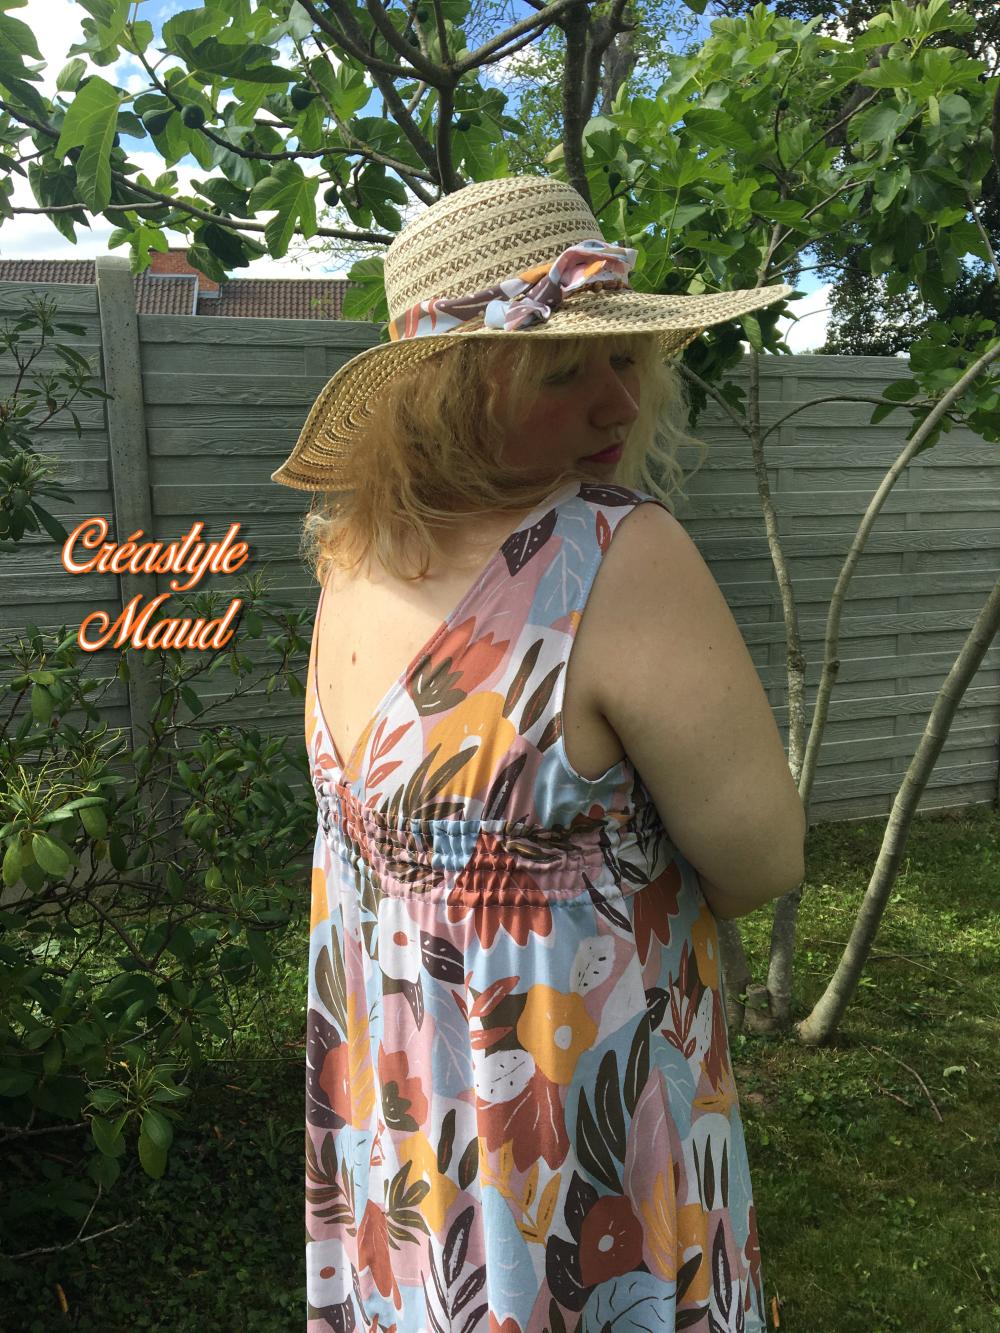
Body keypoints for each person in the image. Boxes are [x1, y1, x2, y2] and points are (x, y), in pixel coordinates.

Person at [271, 175, 806, 1333]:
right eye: (563, 372)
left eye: (623, 356)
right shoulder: (613, 558)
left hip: (403, 1151)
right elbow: (762, 856)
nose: (620, 398)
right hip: (569, 1154)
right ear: (446, 399)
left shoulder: (350, 559)